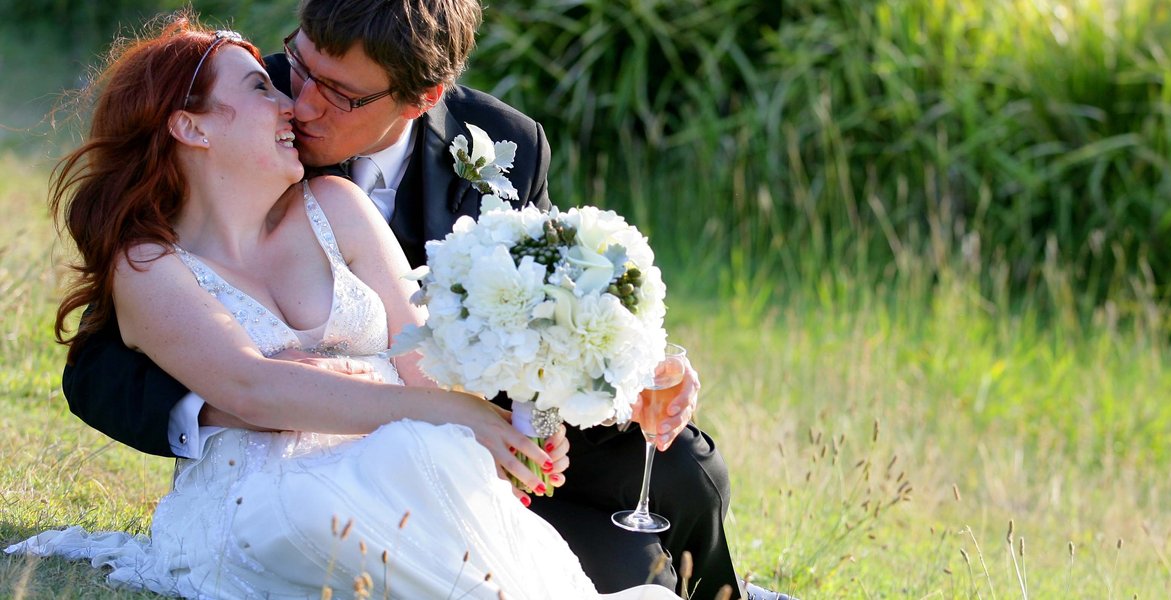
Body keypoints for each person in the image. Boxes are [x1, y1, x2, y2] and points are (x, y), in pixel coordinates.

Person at [60, 1, 798, 599]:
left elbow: (544, 300)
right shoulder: (253, 97)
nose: (300, 103)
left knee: (687, 471)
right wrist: (225, 403)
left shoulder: (504, 144)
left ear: (423, 97)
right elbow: (105, 361)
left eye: (339, 95)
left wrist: (622, 365)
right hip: (355, 455)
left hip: (472, 425)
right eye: (298, 69)